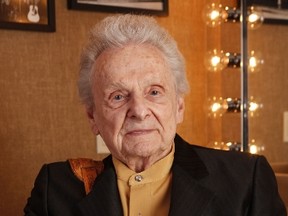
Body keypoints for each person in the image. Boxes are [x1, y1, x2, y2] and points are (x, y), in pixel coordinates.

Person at [24, 14, 286, 216]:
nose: (139, 110)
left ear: (179, 106)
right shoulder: (56, 188)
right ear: (92, 116)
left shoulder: (246, 179)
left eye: (154, 92)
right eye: (117, 96)